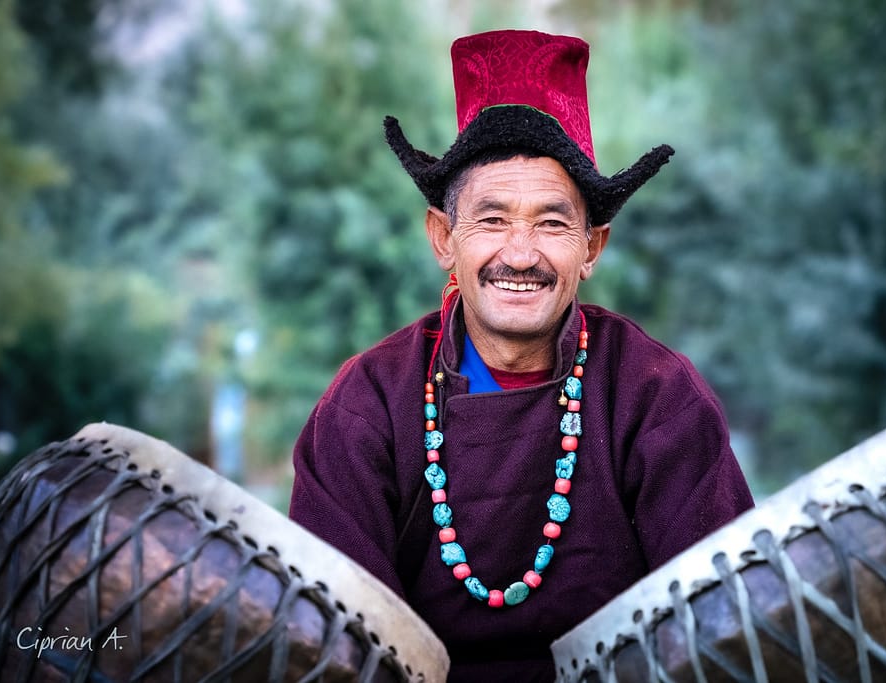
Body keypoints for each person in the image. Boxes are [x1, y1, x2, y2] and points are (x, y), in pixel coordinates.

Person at [289, 29, 753, 682]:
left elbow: (728, 629)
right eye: (493, 219)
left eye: (553, 222)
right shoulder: (367, 403)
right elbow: (326, 647)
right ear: (444, 238)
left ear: (592, 248)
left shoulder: (657, 396)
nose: (520, 252)